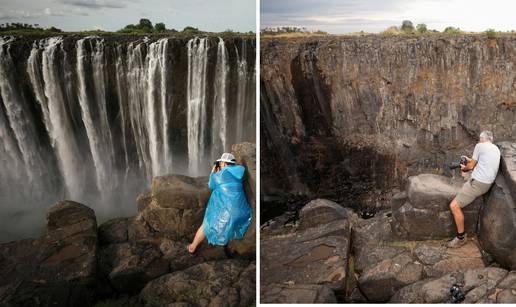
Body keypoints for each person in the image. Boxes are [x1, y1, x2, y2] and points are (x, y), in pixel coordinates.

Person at [187, 152, 252, 254]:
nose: (219, 165)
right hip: (243, 213)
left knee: (206, 224)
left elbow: (211, 185)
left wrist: (214, 171)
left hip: (228, 215)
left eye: (220, 163)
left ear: (224, 163)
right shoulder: (239, 173)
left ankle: (193, 246)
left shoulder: (219, 175)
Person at [447, 130, 500, 248]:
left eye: (480, 140)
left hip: (478, 184)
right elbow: (480, 162)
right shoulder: (495, 148)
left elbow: (471, 166)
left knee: (454, 206)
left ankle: (461, 237)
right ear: (491, 139)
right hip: (487, 183)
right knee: (466, 174)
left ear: (482, 139)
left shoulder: (479, 145)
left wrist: (464, 168)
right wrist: (469, 160)